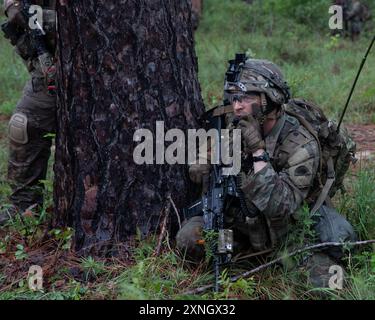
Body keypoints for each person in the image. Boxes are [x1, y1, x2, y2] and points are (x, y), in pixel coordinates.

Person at [176, 57, 357, 288]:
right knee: (189, 240)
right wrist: (203, 161)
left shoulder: (301, 144)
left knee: (329, 284)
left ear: (270, 100)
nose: (238, 105)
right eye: (235, 98)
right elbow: (199, 169)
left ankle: (277, 261)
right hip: (240, 232)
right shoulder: (235, 124)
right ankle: (238, 256)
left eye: (247, 98)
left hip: (287, 237)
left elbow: (280, 206)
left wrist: (258, 151)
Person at [0, 0, 57, 225]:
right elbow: (14, 7)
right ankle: (24, 207)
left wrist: (40, 17)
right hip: (48, 73)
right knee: (23, 124)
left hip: (101, 75)